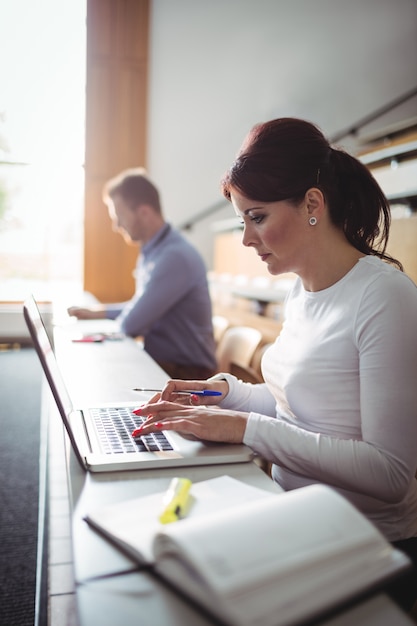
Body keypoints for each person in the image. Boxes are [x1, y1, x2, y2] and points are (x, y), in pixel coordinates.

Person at [132, 118, 417, 610]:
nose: (246, 238)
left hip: (366, 544)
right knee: (161, 567)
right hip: (291, 513)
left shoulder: (383, 295)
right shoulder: (300, 290)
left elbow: (391, 475)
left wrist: (243, 427)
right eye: (242, 219)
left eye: (257, 217)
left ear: (312, 204)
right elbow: (294, 405)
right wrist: (218, 393)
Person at [68, 168, 217, 380]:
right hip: (167, 365)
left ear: (144, 213)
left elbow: (131, 324)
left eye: (119, 217)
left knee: (99, 371)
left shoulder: (174, 257)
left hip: (186, 374)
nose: (116, 226)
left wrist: (101, 326)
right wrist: (97, 313)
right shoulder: (154, 250)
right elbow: (139, 306)